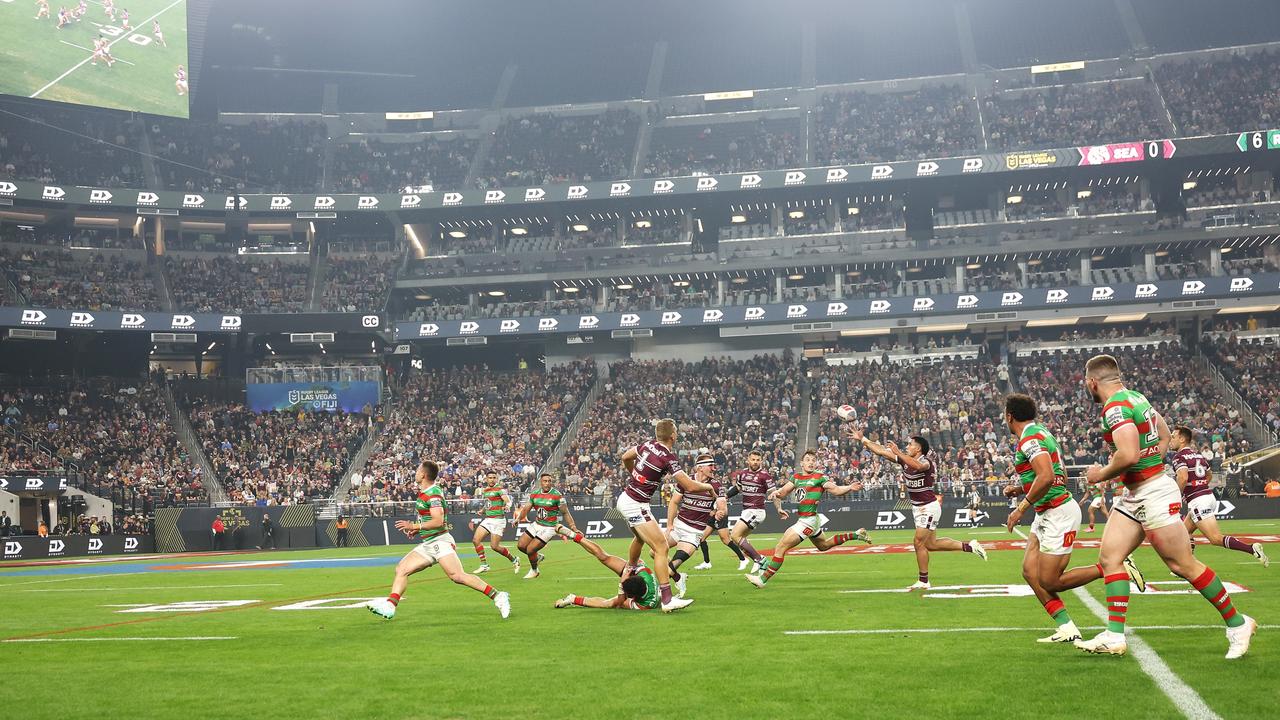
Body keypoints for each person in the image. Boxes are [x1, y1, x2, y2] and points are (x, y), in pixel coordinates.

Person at [1075, 354, 1255, 659]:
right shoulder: (1136, 397)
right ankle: (1115, 636)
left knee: (1182, 565)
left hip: (1154, 493)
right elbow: (1163, 433)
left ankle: (1238, 623)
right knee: (1110, 558)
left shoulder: (1115, 408)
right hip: (1136, 494)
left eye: (1087, 384)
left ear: (1093, 382)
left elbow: (1129, 454)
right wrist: (1153, 459)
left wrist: (1099, 474)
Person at [1002, 393, 1145, 644]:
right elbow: (1060, 476)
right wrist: (1021, 488)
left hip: (1057, 512)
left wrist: (1021, 507)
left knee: (1050, 580)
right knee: (1029, 571)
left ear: (1009, 416)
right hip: (1047, 511)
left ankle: (1109, 568)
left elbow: (1046, 477)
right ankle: (1067, 627)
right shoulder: (1042, 433)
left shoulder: (1029, 438)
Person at [367, 460, 510, 620]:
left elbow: (438, 521)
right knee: (402, 569)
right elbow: (430, 520)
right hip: (429, 542)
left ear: (423, 474)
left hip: (440, 541)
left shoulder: (432, 493)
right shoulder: (427, 491)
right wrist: (417, 530)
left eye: (418, 469)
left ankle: (498, 596)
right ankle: (390, 606)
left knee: (457, 576)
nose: (416, 472)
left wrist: (415, 526)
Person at [850, 428, 987, 589]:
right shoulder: (905, 459)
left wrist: (899, 453)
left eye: (910, 445)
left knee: (918, 542)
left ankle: (923, 581)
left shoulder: (927, 462)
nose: (907, 446)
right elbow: (882, 451)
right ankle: (970, 546)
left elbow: (917, 465)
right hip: (918, 508)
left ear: (918, 448)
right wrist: (863, 439)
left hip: (928, 507)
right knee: (931, 545)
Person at [617, 417, 714, 612]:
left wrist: (635, 476)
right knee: (661, 546)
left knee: (639, 538)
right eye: (676, 431)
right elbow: (689, 486)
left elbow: (626, 457)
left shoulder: (647, 445)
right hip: (636, 504)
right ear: (672, 435)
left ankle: (631, 568)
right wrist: (708, 486)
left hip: (627, 498)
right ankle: (667, 599)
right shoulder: (668, 457)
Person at [745, 449, 871, 588]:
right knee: (823, 546)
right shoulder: (797, 477)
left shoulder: (820, 477)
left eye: (813, 460)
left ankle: (762, 580)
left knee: (781, 547)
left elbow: (835, 490)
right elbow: (784, 491)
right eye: (808, 460)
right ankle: (856, 535)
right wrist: (776, 493)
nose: (811, 462)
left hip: (808, 521)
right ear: (802, 463)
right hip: (808, 520)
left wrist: (849, 487)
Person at [1171, 426, 1268, 566]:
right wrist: (1200, 486)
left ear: (1182, 439)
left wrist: (1176, 497)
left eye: (1173, 437)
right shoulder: (1198, 455)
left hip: (1198, 501)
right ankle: (1187, 565)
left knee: (1215, 538)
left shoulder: (1178, 457)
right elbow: (1209, 475)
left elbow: (1183, 477)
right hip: (1207, 496)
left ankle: (1252, 549)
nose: (1170, 440)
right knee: (1183, 533)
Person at [663, 454, 725, 597]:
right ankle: (679, 578)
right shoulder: (686, 481)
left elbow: (722, 506)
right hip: (678, 526)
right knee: (654, 552)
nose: (713, 469)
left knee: (670, 567)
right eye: (710, 466)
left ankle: (663, 595)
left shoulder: (716, 485)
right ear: (700, 468)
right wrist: (670, 525)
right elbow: (673, 502)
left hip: (694, 533)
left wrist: (719, 511)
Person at [552, 531, 660, 611]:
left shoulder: (644, 605)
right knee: (605, 558)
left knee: (609, 604)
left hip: (632, 581)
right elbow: (638, 560)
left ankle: (572, 599)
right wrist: (629, 569)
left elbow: (620, 603)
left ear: (632, 596)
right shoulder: (645, 573)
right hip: (633, 571)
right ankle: (574, 536)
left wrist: (622, 582)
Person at [728, 449, 786, 572]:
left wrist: (779, 508)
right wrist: (724, 497)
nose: (755, 462)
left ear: (761, 461)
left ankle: (760, 560)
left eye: (758, 460)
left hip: (756, 511)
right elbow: (737, 488)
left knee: (734, 534)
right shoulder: (742, 474)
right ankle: (758, 560)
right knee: (739, 540)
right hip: (746, 511)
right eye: (753, 459)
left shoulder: (765, 476)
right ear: (748, 460)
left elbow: (774, 493)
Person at [515, 472, 580, 579]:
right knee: (521, 546)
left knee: (530, 549)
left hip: (550, 527)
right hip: (537, 524)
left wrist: (574, 528)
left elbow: (565, 512)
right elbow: (526, 508)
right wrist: (518, 518)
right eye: (545, 481)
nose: (547, 483)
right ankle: (537, 557)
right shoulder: (535, 494)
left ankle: (534, 570)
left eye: (549, 481)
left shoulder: (557, 495)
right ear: (541, 482)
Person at [470, 470, 519, 575]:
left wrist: (507, 505)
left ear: (496, 479)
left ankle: (514, 560)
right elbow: (488, 503)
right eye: (490, 478)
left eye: (494, 477)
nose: (492, 479)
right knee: (475, 540)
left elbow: (507, 500)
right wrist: (482, 511)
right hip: (488, 519)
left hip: (498, 520)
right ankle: (484, 565)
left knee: (494, 546)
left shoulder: (500, 489)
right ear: (486, 479)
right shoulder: (486, 490)